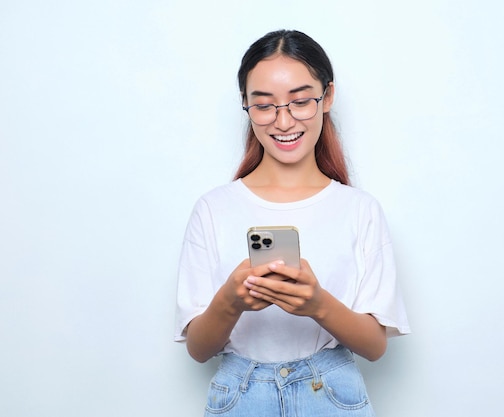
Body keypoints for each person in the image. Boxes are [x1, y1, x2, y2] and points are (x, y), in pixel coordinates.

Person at [175, 29, 410, 417]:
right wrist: (230, 302)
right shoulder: (213, 208)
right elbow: (199, 350)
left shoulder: (359, 209)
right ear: (245, 106)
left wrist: (318, 305)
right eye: (264, 105)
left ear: (327, 97)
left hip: (332, 395)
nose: (283, 121)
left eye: (300, 101)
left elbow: (375, 346)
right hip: (240, 395)